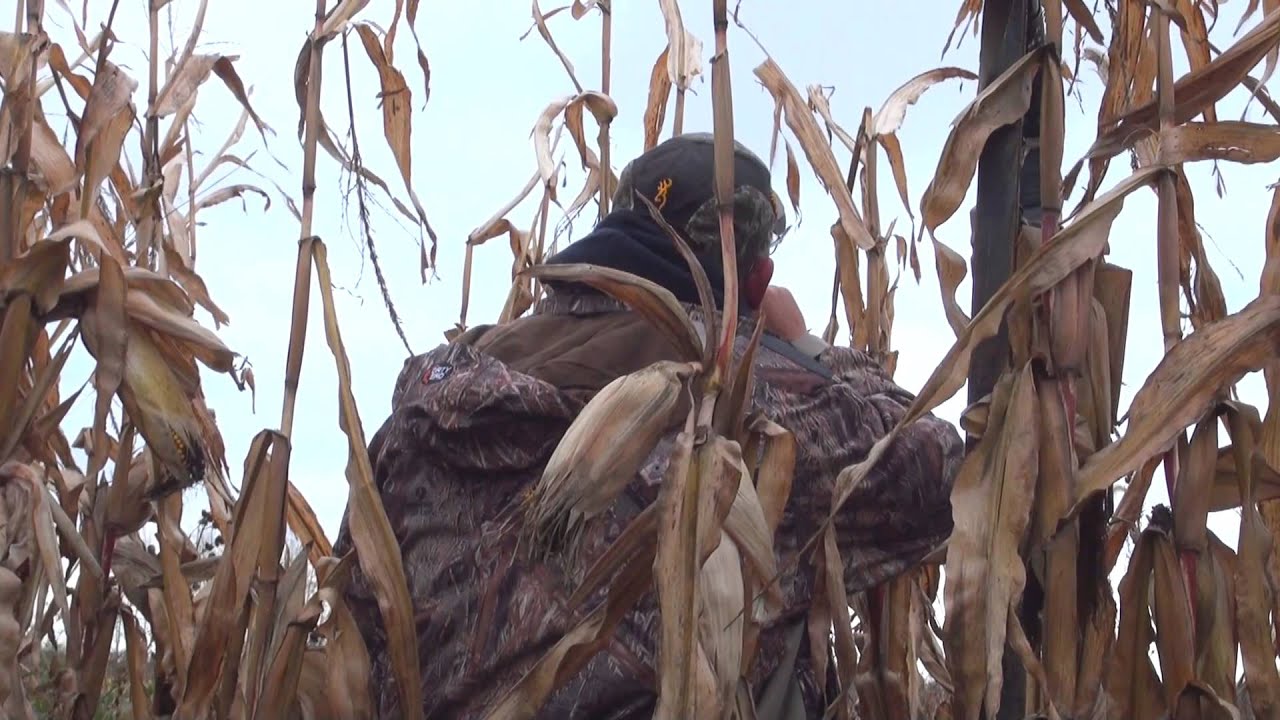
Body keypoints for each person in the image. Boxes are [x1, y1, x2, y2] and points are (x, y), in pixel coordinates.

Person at [333, 133, 963, 719]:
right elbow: (938, 469)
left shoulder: (425, 411)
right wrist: (810, 349)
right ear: (757, 276)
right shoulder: (745, 402)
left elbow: (357, 613)